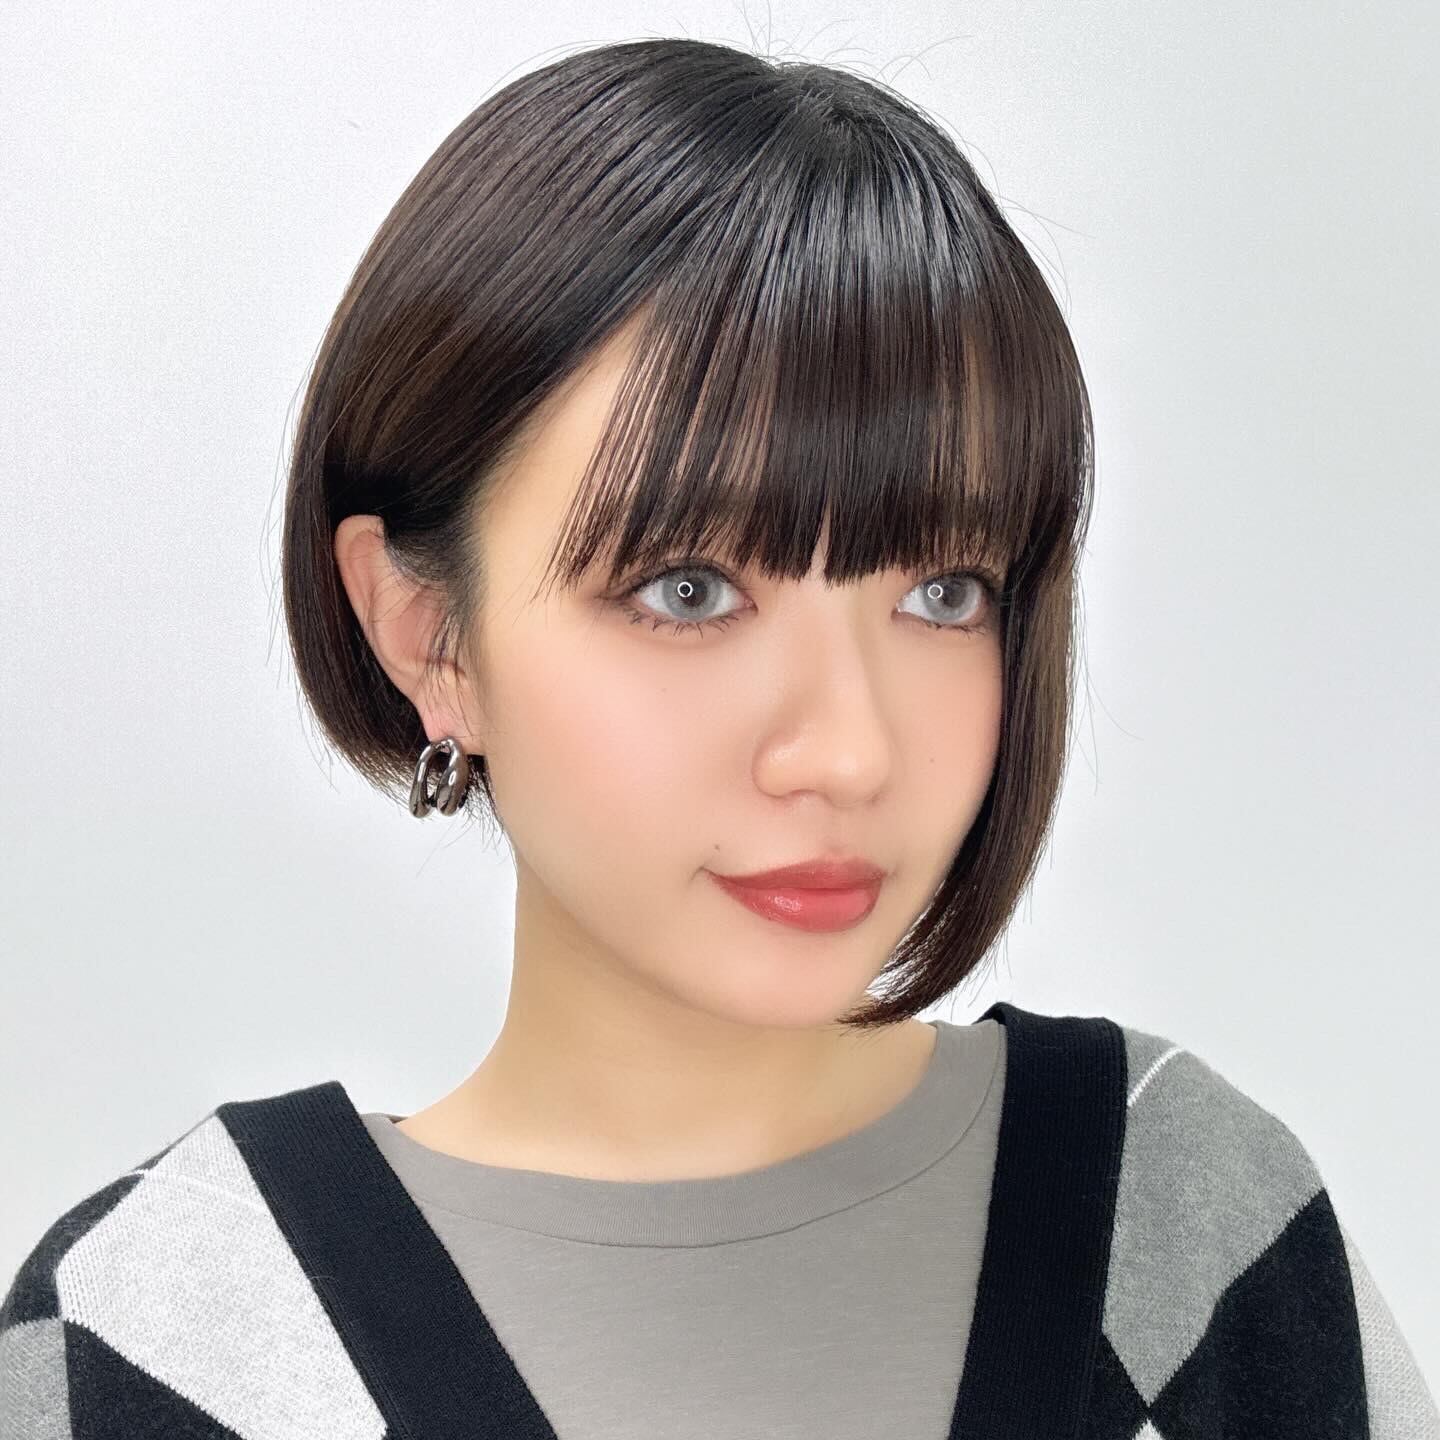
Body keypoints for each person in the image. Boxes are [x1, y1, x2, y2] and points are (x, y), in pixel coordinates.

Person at [2, 36, 1434, 1440]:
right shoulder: (165, 1340)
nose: (848, 753)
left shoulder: (1190, 1239)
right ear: (431, 634)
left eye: (942, 593)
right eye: (687, 592)